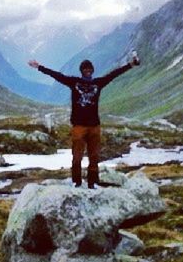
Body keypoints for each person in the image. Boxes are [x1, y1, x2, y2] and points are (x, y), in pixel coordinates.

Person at [28, 54, 140, 188]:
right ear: (81, 71)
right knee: (77, 157)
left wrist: (130, 65)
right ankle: (77, 182)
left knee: (94, 156)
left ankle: (92, 183)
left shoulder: (98, 83)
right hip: (79, 126)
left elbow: (114, 74)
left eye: (89, 69)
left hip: (94, 127)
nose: (88, 71)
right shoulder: (74, 82)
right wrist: (39, 67)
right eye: (85, 69)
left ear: (92, 70)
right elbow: (57, 76)